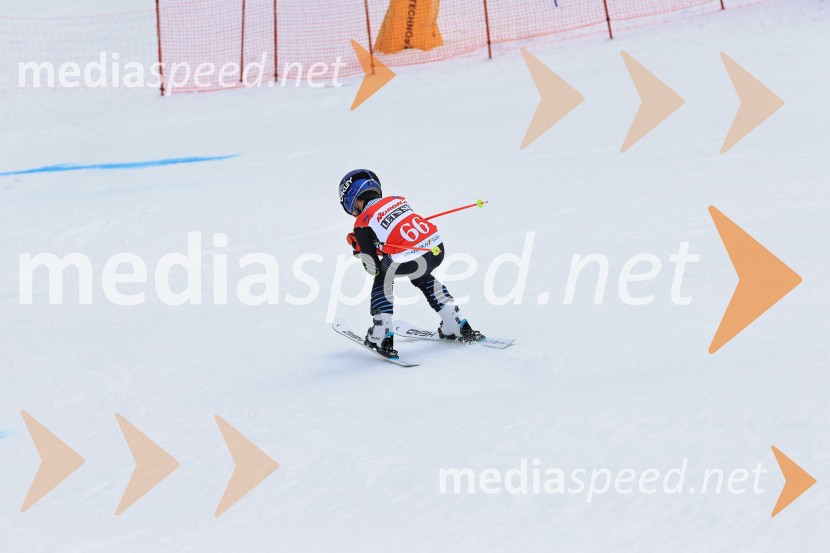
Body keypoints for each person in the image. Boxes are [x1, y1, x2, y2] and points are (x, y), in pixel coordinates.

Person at [339, 169, 483, 359]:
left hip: (408, 257)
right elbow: (400, 234)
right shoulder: (397, 200)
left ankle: (381, 332)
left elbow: (372, 267)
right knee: (422, 275)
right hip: (435, 248)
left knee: (382, 277)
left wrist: (361, 250)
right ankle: (454, 321)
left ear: (352, 200)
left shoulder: (362, 222)